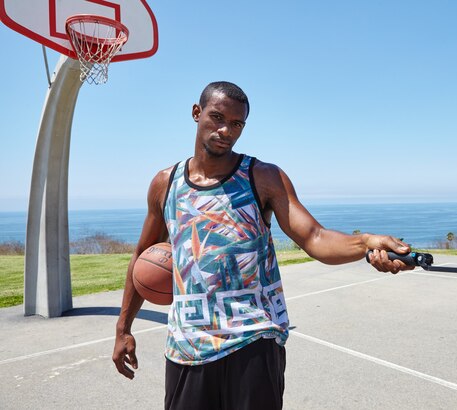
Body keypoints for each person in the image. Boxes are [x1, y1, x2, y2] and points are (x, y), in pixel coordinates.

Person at [112, 81, 412, 409]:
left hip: (253, 340)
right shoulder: (165, 184)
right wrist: (123, 327)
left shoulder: (262, 177)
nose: (225, 129)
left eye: (236, 123)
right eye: (217, 117)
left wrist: (366, 243)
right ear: (196, 113)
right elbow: (143, 254)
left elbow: (315, 238)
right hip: (188, 345)